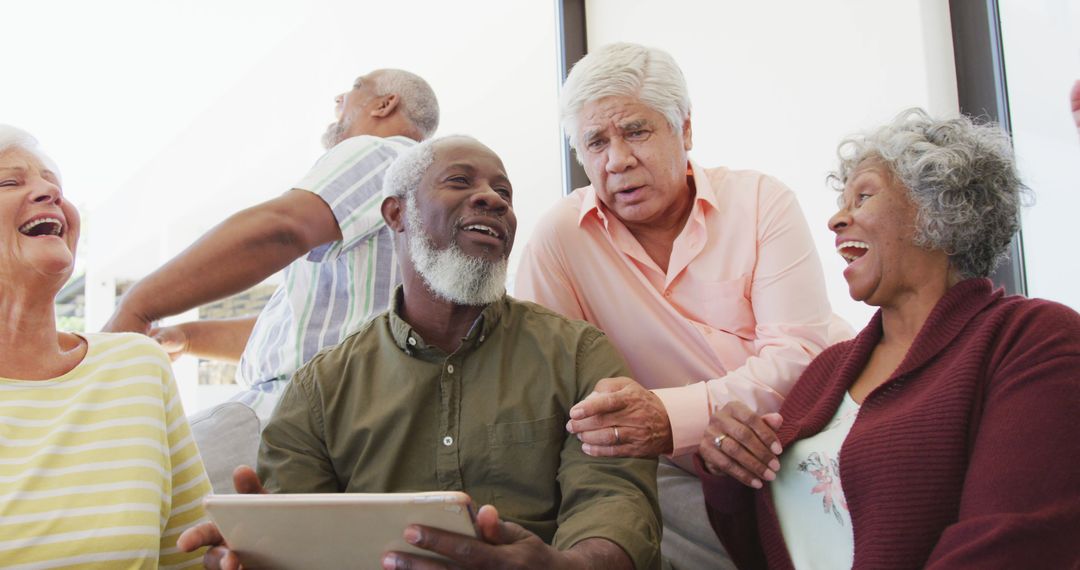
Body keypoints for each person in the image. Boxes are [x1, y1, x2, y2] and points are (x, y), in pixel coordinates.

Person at [177, 135, 662, 570]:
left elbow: (615, 501)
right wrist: (264, 551)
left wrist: (565, 566)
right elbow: (294, 541)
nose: (492, 199)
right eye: (459, 181)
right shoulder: (318, 390)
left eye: (505, 193)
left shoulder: (578, 355)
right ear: (395, 214)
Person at [697, 109, 1080, 569]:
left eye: (863, 196)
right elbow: (758, 551)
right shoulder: (827, 371)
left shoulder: (1030, 338)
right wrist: (728, 470)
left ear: (940, 208)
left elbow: (1011, 541)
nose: (837, 219)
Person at [514, 42, 848, 568]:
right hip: (679, 468)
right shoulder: (560, 239)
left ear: (685, 129)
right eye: (595, 142)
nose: (617, 160)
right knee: (625, 502)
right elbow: (546, 389)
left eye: (636, 131)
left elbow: (801, 354)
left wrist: (680, 418)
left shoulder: (761, 200)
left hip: (810, 427)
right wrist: (687, 434)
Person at [104, 69, 439, 419]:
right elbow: (302, 335)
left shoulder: (379, 152)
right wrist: (187, 337)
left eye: (355, 89)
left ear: (385, 104)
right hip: (329, 411)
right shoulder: (410, 196)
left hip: (300, 412)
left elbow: (282, 228)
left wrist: (137, 304)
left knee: (136, 466)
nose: (339, 99)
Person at [0, 125, 211, 567]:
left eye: (53, 185)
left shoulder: (137, 366)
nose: (48, 193)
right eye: (9, 181)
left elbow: (194, 557)